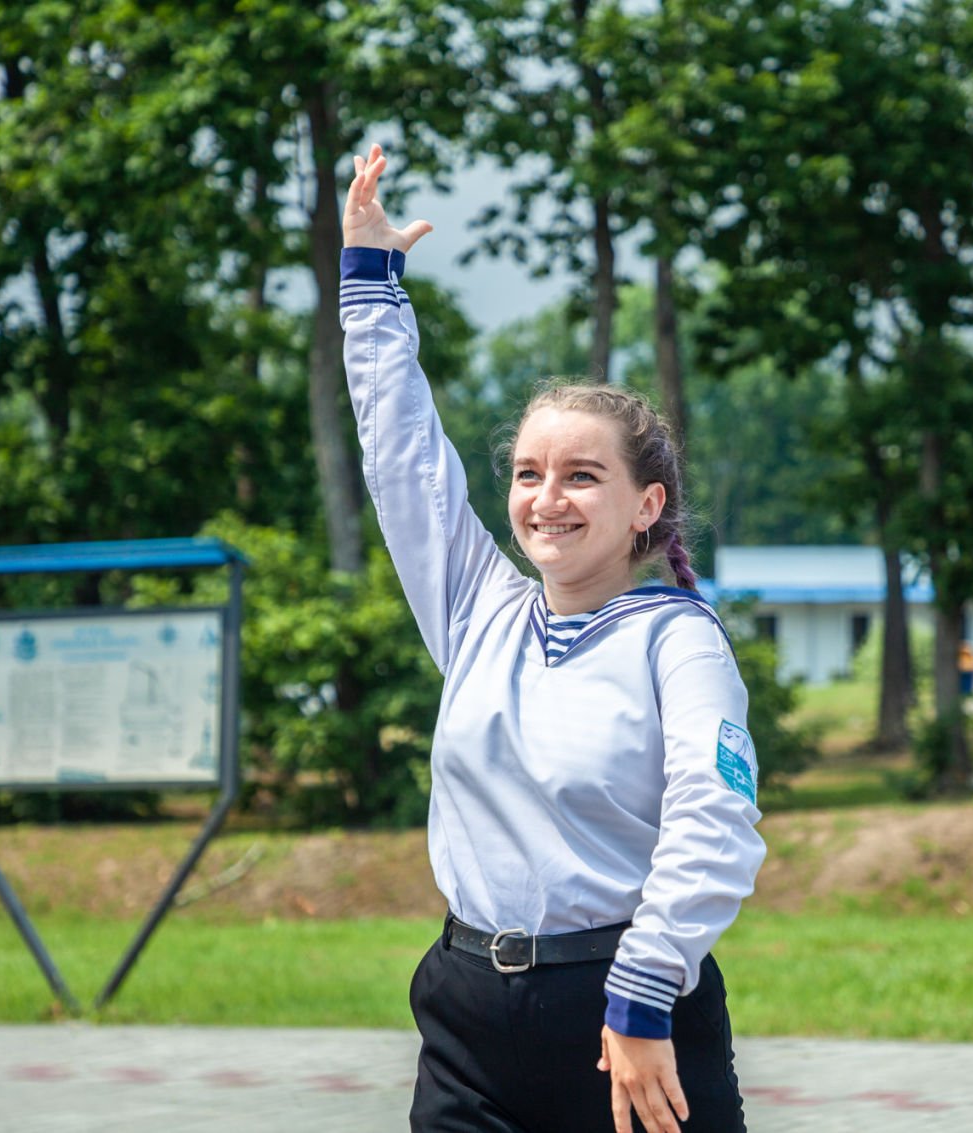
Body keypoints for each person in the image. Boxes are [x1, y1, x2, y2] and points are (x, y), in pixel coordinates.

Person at [340, 144, 766, 1133]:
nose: (546, 498)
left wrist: (645, 991)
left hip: (624, 1004)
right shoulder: (478, 609)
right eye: (528, 473)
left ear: (644, 504)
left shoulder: (679, 642)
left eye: (581, 475)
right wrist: (370, 284)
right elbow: (404, 463)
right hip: (465, 1011)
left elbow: (715, 819)